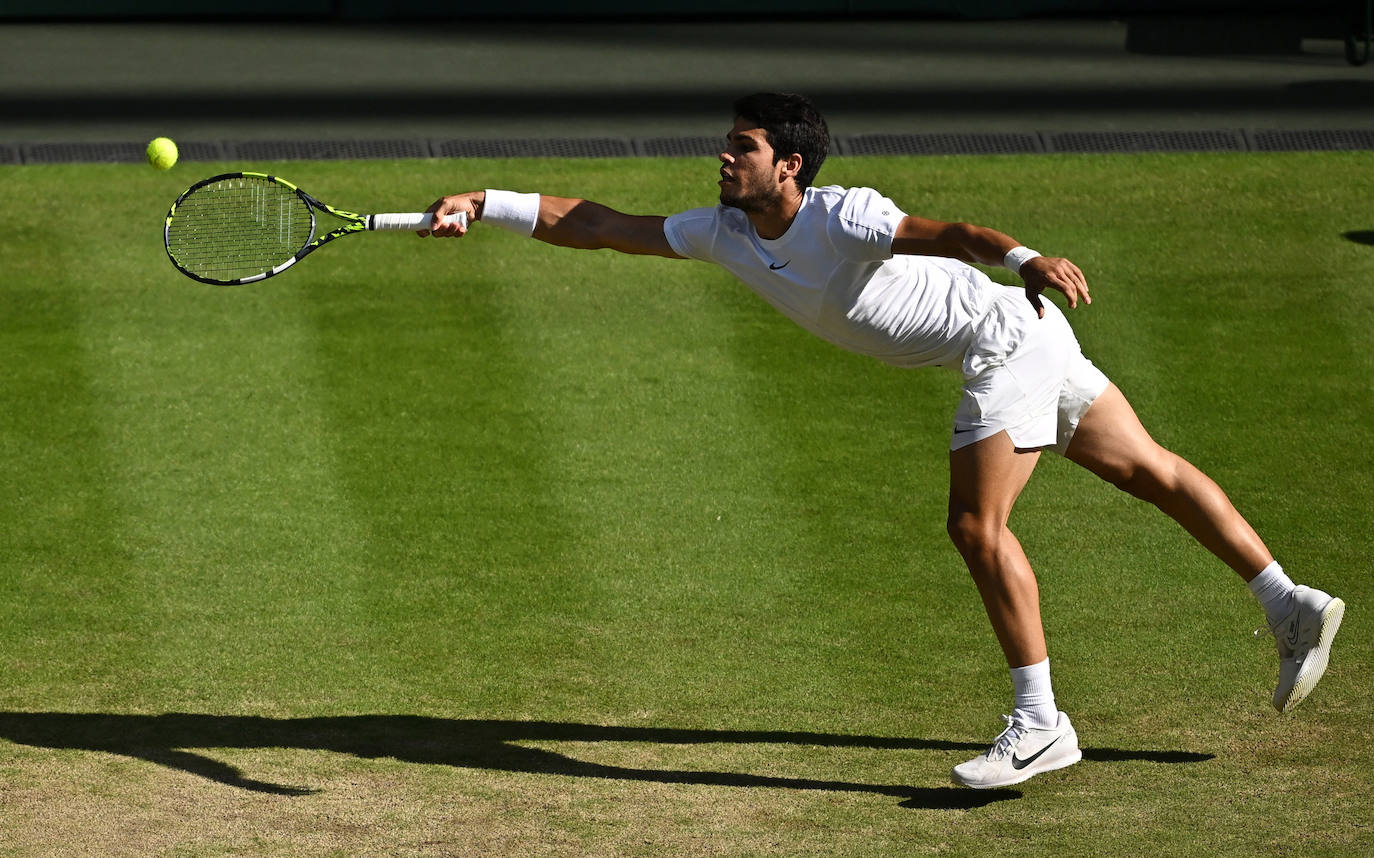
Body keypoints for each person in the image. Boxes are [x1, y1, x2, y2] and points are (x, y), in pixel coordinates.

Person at [419, 92, 1345, 790]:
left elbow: (950, 232)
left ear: (788, 166)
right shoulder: (724, 232)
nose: (722, 156)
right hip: (1018, 331)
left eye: (741, 147)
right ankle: (1287, 601)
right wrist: (483, 199)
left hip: (1004, 336)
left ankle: (1040, 723)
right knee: (1148, 469)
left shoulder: (842, 213)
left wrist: (1026, 256)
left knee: (976, 528)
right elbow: (602, 226)